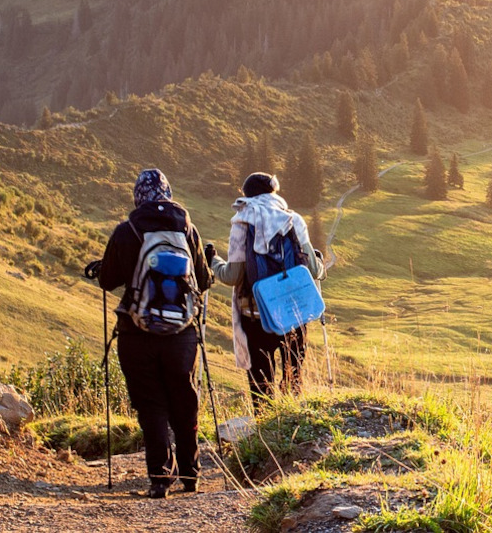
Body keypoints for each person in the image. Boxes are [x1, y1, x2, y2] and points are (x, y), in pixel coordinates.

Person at [94, 168, 210, 499]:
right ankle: (191, 474)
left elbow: (108, 281)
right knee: (184, 400)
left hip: (136, 331)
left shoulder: (127, 230)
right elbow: (201, 280)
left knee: (151, 403)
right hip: (182, 333)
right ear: (167, 193)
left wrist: (102, 268)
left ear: (138, 196)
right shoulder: (188, 229)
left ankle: (161, 478)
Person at [208, 171, 323, 411]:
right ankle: (294, 432)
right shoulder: (293, 219)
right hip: (294, 314)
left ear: (247, 196)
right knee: (293, 379)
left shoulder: (242, 222)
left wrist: (213, 261)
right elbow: (313, 270)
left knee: (262, 386)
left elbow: (233, 276)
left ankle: (265, 433)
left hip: (256, 315)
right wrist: (319, 263)